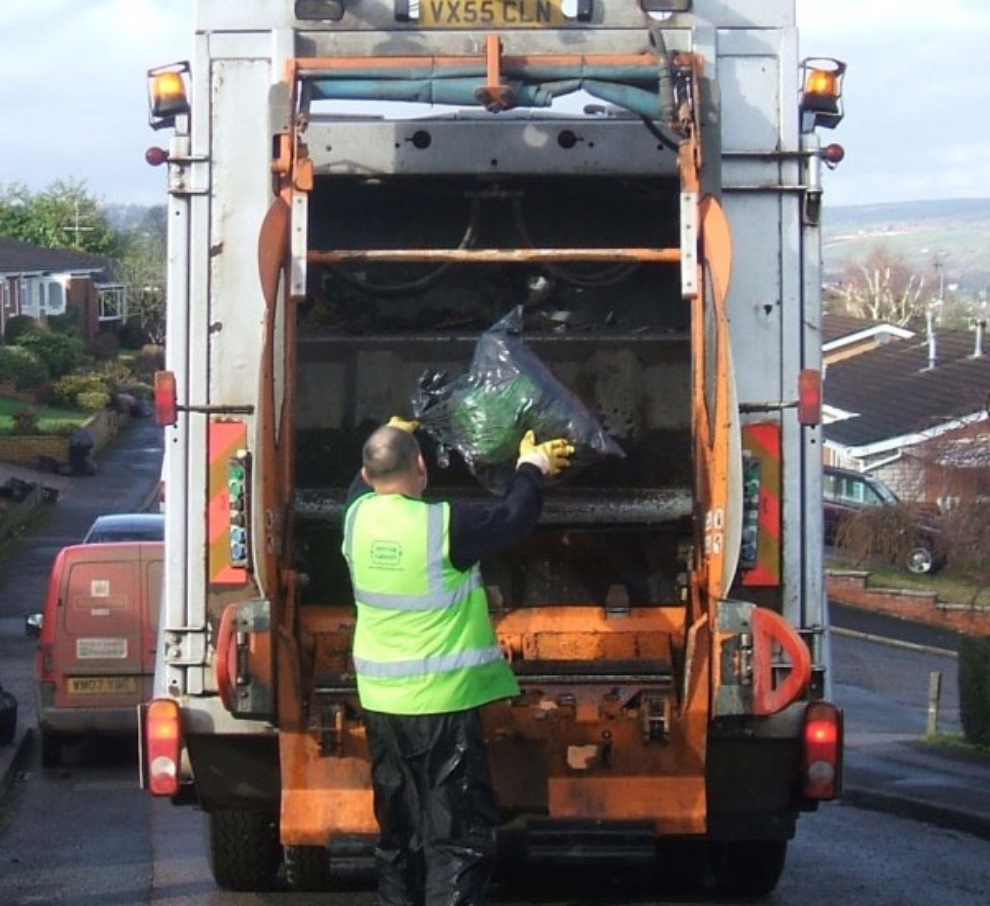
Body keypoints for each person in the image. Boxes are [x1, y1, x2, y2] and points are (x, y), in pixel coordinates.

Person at [342, 417, 574, 906]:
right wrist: (531, 467)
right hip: (442, 707)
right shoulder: (443, 525)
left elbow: (358, 484)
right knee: (456, 837)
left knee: (397, 835)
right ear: (421, 466)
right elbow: (514, 519)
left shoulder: (356, 518)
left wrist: (387, 431)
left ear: (366, 477)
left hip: (382, 705)